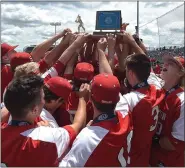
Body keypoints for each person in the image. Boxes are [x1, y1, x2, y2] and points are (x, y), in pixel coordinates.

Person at [60, 37, 133, 167]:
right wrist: (104, 50)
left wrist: (100, 49)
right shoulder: (125, 116)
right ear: (117, 98)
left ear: (90, 98)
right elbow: (109, 77)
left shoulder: (87, 138)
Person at [1, 75, 89, 166]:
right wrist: (82, 98)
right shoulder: (46, 138)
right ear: (34, 110)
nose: (44, 101)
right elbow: (78, 125)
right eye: (43, 97)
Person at [115, 32, 165, 166]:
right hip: (145, 154)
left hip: (132, 158)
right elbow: (147, 64)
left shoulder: (130, 100)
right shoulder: (158, 88)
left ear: (130, 73)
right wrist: (131, 42)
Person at [150, 56, 184, 167]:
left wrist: (152, 138)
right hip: (151, 157)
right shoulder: (159, 88)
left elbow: (175, 143)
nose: (165, 65)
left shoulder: (182, 101)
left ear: (180, 73)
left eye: (171, 64)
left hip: (168, 162)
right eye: (165, 63)